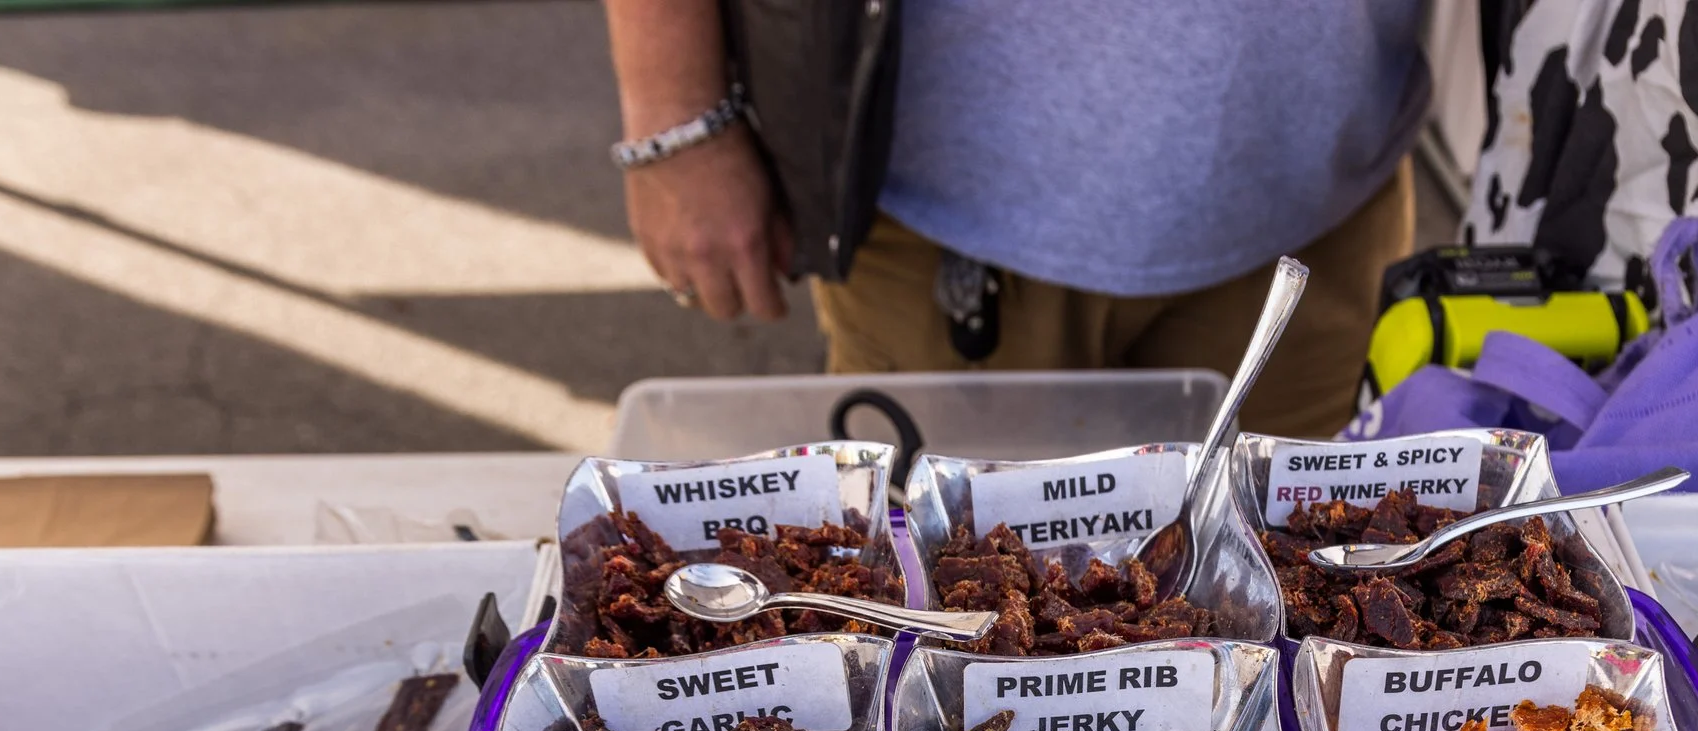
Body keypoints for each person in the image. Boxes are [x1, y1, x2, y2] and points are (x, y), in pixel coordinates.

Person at [604, 1, 1430, 438]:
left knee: (1292, 633)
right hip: (943, 220)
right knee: (934, 649)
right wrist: (673, 107)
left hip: (1315, 200)